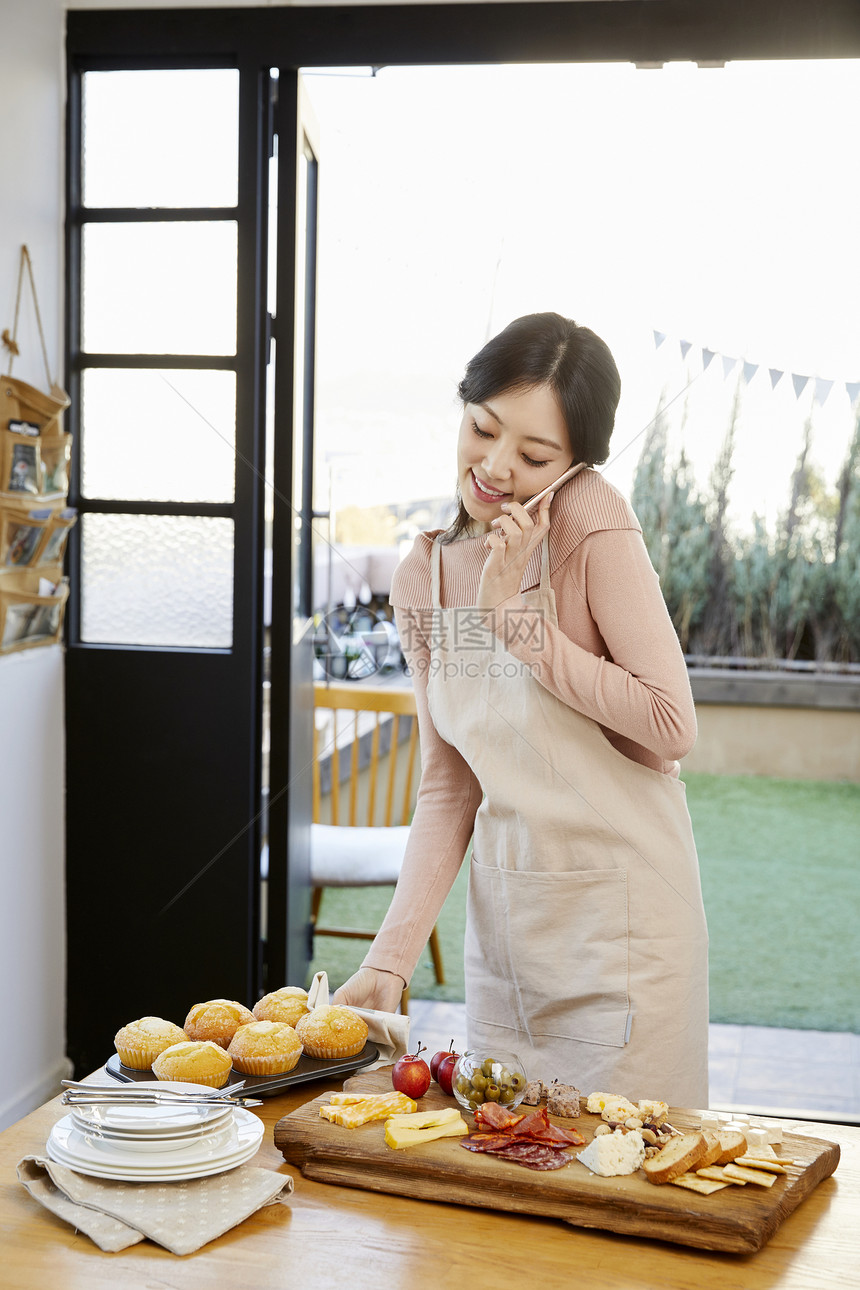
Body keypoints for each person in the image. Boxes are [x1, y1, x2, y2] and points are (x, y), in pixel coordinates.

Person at [334, 312, 709, 1106]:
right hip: (510, 940)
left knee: (629, 1187)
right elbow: (450, 789)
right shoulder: (426, 574)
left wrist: (517, 625)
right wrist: (388, 960)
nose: (496, 467)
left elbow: (671, 721)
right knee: (509, 1177)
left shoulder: (587, 522)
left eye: (535, 455)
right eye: (482, 429)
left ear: (575, 464)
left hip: (627, 943)